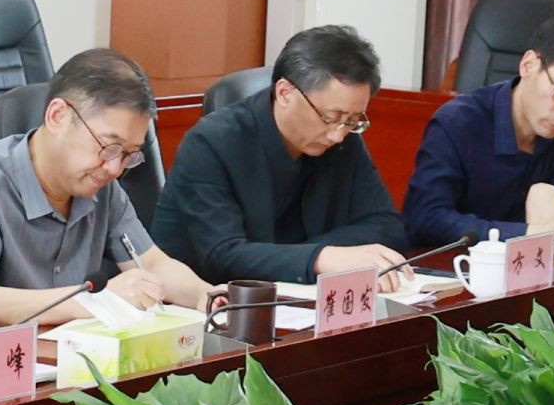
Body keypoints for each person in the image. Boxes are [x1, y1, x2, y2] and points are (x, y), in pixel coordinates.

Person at [0, 47, 215, 329]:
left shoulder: (101, 186)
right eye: (109, 146)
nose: (115, 168)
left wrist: (206, 295)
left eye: (129, 154)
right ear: (58, 116)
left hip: (61, 357)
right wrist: (97, 301)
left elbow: (151, 264)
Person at [151, 24, 414, 286]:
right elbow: (222, 255)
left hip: (298, 298)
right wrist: (319, 258)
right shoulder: (211, 142)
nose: (338, 135)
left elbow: (387, 226)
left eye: (353, 120)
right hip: (205, 302)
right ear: (285, 93)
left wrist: (314, 258)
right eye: (330, 117)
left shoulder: (344, 140)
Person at [402, 12, 554, 246]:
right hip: (451, 264)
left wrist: (552, 195)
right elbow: (428, 218)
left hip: (531, 264)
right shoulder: (457, 121)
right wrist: (526, 233)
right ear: (528, 65)